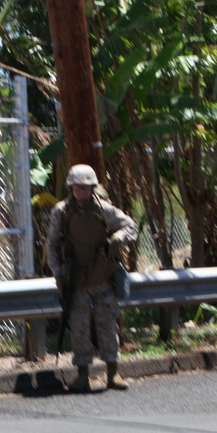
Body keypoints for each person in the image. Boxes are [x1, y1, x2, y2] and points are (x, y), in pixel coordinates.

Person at [46, 164, 138, 392]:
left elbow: (131, 227)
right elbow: (52, 245)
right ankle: (82, 375)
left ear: (93, 188)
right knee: (79, 330)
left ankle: (113, 374)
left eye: (86, 187)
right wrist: (58, 274)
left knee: (108, 326)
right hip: (76, 280)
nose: (82, 192)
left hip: (102, 277)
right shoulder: (61, 211)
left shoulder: (103, 209)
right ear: (71, 188)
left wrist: (117, 237)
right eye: (77, 187)